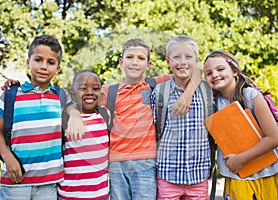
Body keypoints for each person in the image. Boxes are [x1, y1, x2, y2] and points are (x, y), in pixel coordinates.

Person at [99, 38, 202, 200]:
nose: (134, 62)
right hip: (116, 163)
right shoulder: (109, 92)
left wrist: (187, 96)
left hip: (146, 162)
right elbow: (82, 101)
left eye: (141, 58)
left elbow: (196, 72)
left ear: (148, 65)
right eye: (130, 57)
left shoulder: (155, 84)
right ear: (121, 62)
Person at [0, 34, 83, 200]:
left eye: (50, 62)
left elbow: (73, 109)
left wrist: (76, 116)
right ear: (28, 62)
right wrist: (7, 157)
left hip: (48, 185)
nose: (43, 67)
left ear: (58, 68)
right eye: (38, 60)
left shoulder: (61, 96)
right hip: (15, 182)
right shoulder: (11, 94)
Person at [203, 50, 278, 199]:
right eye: (208, 73)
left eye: (220, 69)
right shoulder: (213, 104)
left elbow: (274, 138)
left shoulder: (251, 96)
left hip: (269, 173)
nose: (214, 75)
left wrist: (240, 159)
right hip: (239, 177)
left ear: (234, 71)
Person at [152, 35, 212, 200]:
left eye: (188, 57)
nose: (183, 62)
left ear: (197, 59)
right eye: (176, 57)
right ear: (168, 61)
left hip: (198, 173)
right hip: (168, 172)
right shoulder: (160, 92)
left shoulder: (207, 90)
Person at [58, 70, 109, 200]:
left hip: (100, 195)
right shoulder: (65, 117)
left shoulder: (105, 115)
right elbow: (67, 106)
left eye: (95, 88)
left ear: (101, 95)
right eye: (83, 88)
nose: (90, 92)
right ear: (73, 95)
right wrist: (74, 113)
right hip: (69, 195)